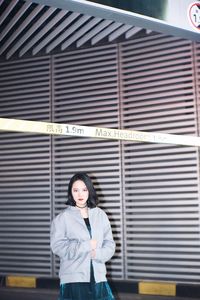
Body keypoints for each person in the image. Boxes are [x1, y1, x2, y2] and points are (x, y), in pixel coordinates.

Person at [50, 172, 116, 300]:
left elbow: (110, 243)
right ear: (71, 192)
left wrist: (98, 254)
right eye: (76, 190)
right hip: (74, 280)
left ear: (89, 191)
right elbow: (58, 247)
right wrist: (85, 246)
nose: (80, 194)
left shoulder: (100, 215)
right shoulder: (63, 218)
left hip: (98, 278)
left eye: (84, 190)